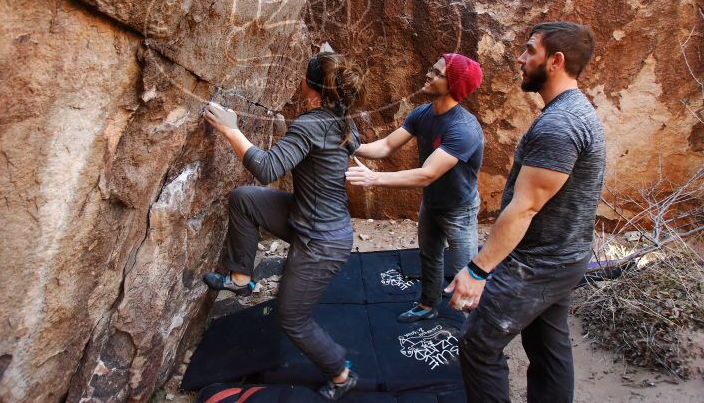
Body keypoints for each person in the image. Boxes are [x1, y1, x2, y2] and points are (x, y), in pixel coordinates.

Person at [446, 21, 605, 403]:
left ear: (556, 61)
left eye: (530, 50)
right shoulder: (575, 111)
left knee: (478, 343)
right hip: (564, 256)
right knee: (548, 346)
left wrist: (477, 270)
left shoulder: (561, 125)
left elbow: (526, 207)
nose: (520, 58)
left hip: (539, 264)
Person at [201, 51, 365, 401]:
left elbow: (268, 167)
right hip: (307, 216)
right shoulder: (342, 117)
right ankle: (241, 279)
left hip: (320, 241)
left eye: (303, 74)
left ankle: (340, 375)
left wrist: (231, 130)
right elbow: (357, 142)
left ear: (310, 85)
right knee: (245, 198)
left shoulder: (310, 124)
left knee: (292, 319)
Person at [346, 53, 484, 322]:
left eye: (437, 72)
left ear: (453, 84)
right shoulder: (423, 113)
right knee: (429, 256)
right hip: (431, 203)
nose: (428, 74)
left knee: (465, 272)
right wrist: (352, 146)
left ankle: (473, 329)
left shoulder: (464, 129)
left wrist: (375, 179)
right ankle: (428, 304)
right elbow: (386, 146)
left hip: (459, 211)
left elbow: (426, 174)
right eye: (432, 67)